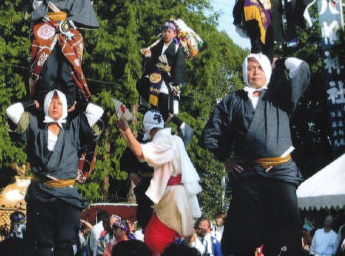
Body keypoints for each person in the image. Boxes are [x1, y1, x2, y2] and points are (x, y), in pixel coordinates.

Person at [200, 53, 310, 256]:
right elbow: (210, 134)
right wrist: (225, 158)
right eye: (250, 67)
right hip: (248, 174)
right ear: (244, 72)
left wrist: (282, 62)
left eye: (260, 67)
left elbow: (301, 69)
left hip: (281, 172)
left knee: (285, 232)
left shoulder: (281, 94)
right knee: (242, 233)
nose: (255, 71)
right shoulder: (232, 100)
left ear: (268, 71)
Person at [6, 89, 104, 256]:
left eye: (60, 103)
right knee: (41, 244)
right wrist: (31, 104)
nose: (55, 106)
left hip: (66, 195)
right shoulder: (35, 125)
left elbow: (97, 111)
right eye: (51, 102)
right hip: (40, 193)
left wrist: (77, 105)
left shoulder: (74, 129)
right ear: (45, 105)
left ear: (65, 107)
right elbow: (11, 111)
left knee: (66, 244)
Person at [24, 0, 99, 108]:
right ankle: (43, 105)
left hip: (69, 30)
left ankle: (69, 107)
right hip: (45, 26)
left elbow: (83, 11)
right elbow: (32, 9)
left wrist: (66, 24)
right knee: (46, 69)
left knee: (68, 70)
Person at [117, 110, 202, 256]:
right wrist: (125, 133)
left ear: (147, 127)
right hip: (169, 193)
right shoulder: (174, 138)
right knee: (156, 234)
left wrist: (126, 129)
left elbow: (139, 153)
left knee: (155, 237)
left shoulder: (163, 139)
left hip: (171, 195)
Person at [136, 20, 193, 140]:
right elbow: (151, 61)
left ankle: (162, 122)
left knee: (164, 96)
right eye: (164, 31)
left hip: (166, 78)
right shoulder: (156, 45)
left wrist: (176, 86)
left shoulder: (177, 49)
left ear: (174, 34)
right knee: (140, 84)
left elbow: (179, 68)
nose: (166, 34)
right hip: (154, 74)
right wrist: (148, 57)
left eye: (169, 31)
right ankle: (153, 108)